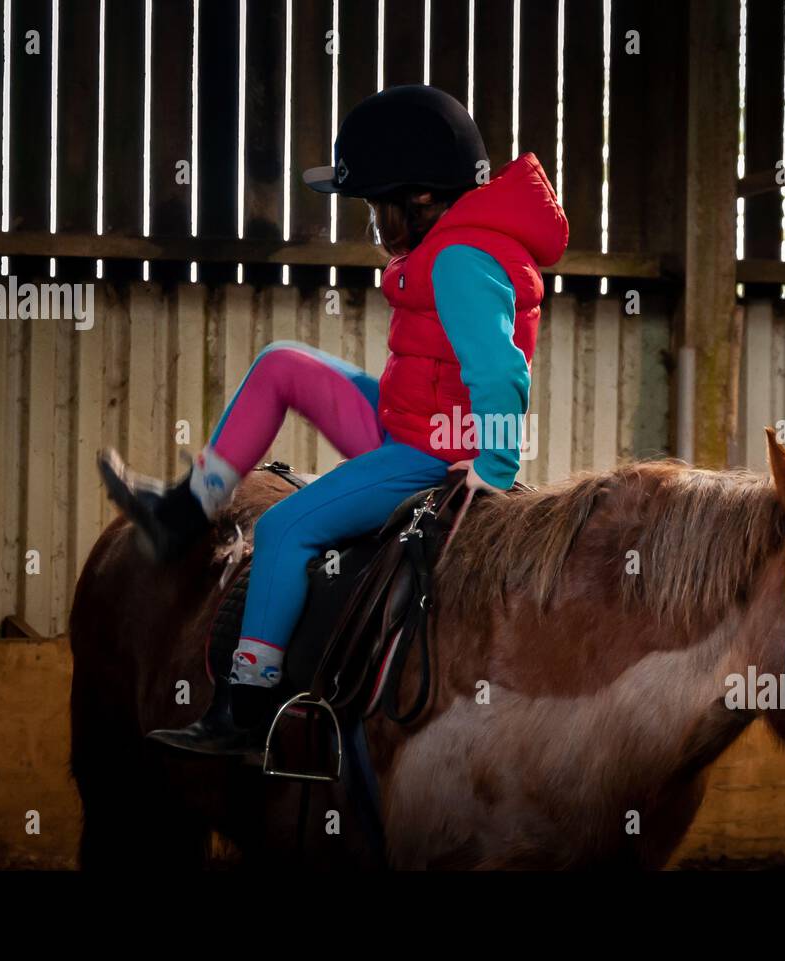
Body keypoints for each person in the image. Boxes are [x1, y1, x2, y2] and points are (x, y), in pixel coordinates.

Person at [98, 84, 569, 754]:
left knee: (286, 526)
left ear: (424, 201)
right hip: (405, 421)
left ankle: (250, 703)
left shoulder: (463, 260)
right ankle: (186, 509)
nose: (376, 227)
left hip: (430, 455)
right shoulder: (456, 244)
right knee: (281, 364)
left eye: (381, 210)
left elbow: (500, 372)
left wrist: (494, 466)